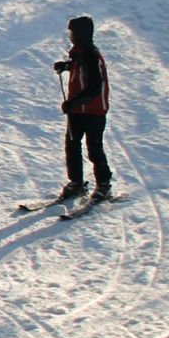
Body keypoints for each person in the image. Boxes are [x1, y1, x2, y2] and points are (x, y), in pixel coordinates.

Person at [53, 15, 113, 203]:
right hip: (78, 111)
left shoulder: (90, 55)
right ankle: (76, 181)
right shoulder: (80, 53)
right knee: (72, 145)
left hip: (93, 111)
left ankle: (104, 184)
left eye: (73, 33)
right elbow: (79, 67)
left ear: (82, 34)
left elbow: (95, 86)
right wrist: (67, 66)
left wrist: (73, 103)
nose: (70, 36)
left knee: (94, 148)